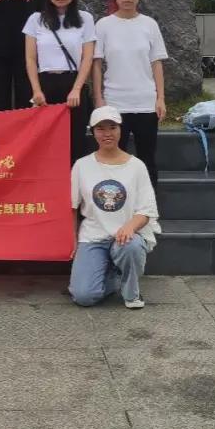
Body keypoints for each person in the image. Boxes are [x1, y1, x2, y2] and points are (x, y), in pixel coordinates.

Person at [68, 106, 161, 309]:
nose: (107, 133)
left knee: (131, 245)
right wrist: (73, 240)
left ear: (120, 129)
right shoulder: (82, 165)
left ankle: (131, 293)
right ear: (93, 132)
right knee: (84, 296)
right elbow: (73, 206)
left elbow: (147, 210)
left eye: (112, 127)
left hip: (126, 237)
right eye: (100, 128)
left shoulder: (136, 166)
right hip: (93, 236)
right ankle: (113, 276)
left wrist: (130, 227)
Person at [92, 0, 168, 189]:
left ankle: (148, 204)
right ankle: (116, 202)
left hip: (145, 103)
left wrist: (160, 98)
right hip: (115, 104)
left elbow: (156, 63)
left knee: (147, 158)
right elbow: (96, 64)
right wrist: (99, 98)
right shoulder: (103, 25)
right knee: (114, 158)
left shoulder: (149, 25)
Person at [23, 0, 96, 163]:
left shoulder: (85, 19)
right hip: (45, 84)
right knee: (45, 141)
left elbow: (87, 57)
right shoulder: (35, 20)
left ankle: (73, 180)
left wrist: (77, 89)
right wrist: (36, 90)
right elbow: (30, 58)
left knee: (75, 141)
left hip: (74, 83)